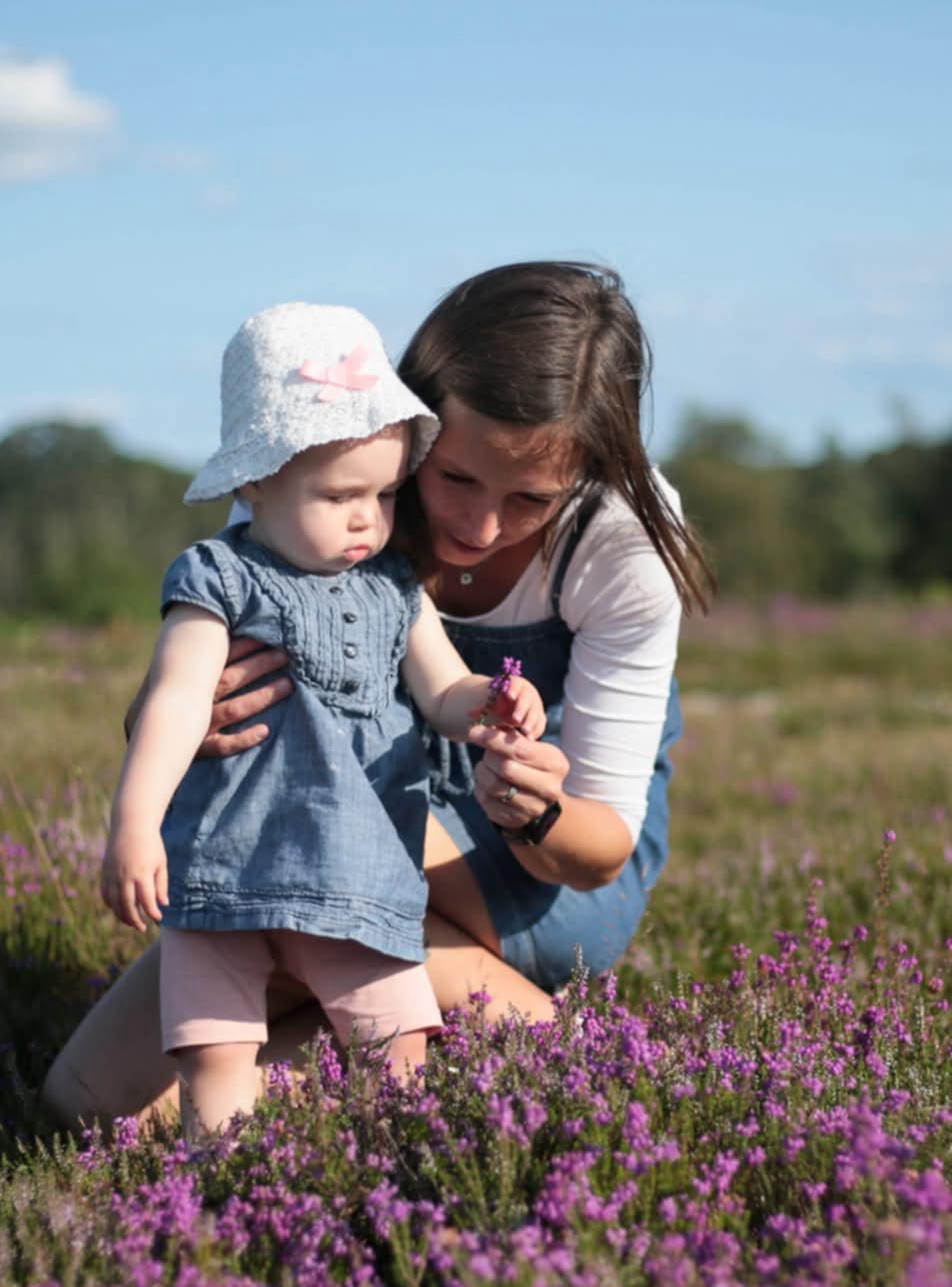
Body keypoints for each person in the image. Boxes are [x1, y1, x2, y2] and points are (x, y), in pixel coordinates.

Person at [40, 260, 712, 1137]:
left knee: (306, 834)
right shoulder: (329, 470)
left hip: (545, 872)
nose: (477, 528)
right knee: (85, 1102)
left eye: (531, 499)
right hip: (334, 831)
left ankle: (534, 1035)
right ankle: (447, 1035)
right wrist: (173, 720)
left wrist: (532, 808)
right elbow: (188, 677)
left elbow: (595, 855)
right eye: (456, 480)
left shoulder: (622, 546)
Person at [98, 301, 546, 1140]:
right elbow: (176, 700)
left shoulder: (394, 585)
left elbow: (443, 691)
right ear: (256, 479)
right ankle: (219, 1196)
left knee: (395, 1044)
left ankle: (387, 1175)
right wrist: (135, 824)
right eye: (338, 494)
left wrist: (491, 702)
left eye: (382, 493)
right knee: (217, 1053)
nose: (366, 519)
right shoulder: (217, 579)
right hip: (223, 865)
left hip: (356, 864)